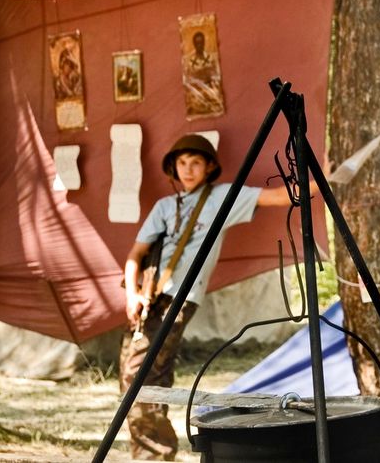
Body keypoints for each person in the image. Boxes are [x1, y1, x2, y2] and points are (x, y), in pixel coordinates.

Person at [119, 133, 301, 461]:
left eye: (196, 162)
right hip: (149, 299)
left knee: (143, 373)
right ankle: (151, 451)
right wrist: (132, 295)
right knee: (138, 374)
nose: (188, 169)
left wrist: (326, 176)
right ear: (173, 168)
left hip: (180, 298)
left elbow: (280, 196)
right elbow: (136, 254)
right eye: (182, 163)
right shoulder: (165, 207)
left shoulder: (222, 197)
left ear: (209, 167)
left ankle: (154, 454)